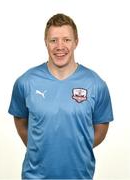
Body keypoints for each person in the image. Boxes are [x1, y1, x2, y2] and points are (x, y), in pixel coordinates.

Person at [8, 13, 114, 180]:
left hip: (79, 176)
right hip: (35, 176)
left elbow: (100, 129)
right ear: (46, 43)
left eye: (66, 39)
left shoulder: (95, 84)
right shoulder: (26, 82)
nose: (60, 46)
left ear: (76, 42)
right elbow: (20, 122)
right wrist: (41, 147)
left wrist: (77, 147)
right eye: (53, 40)